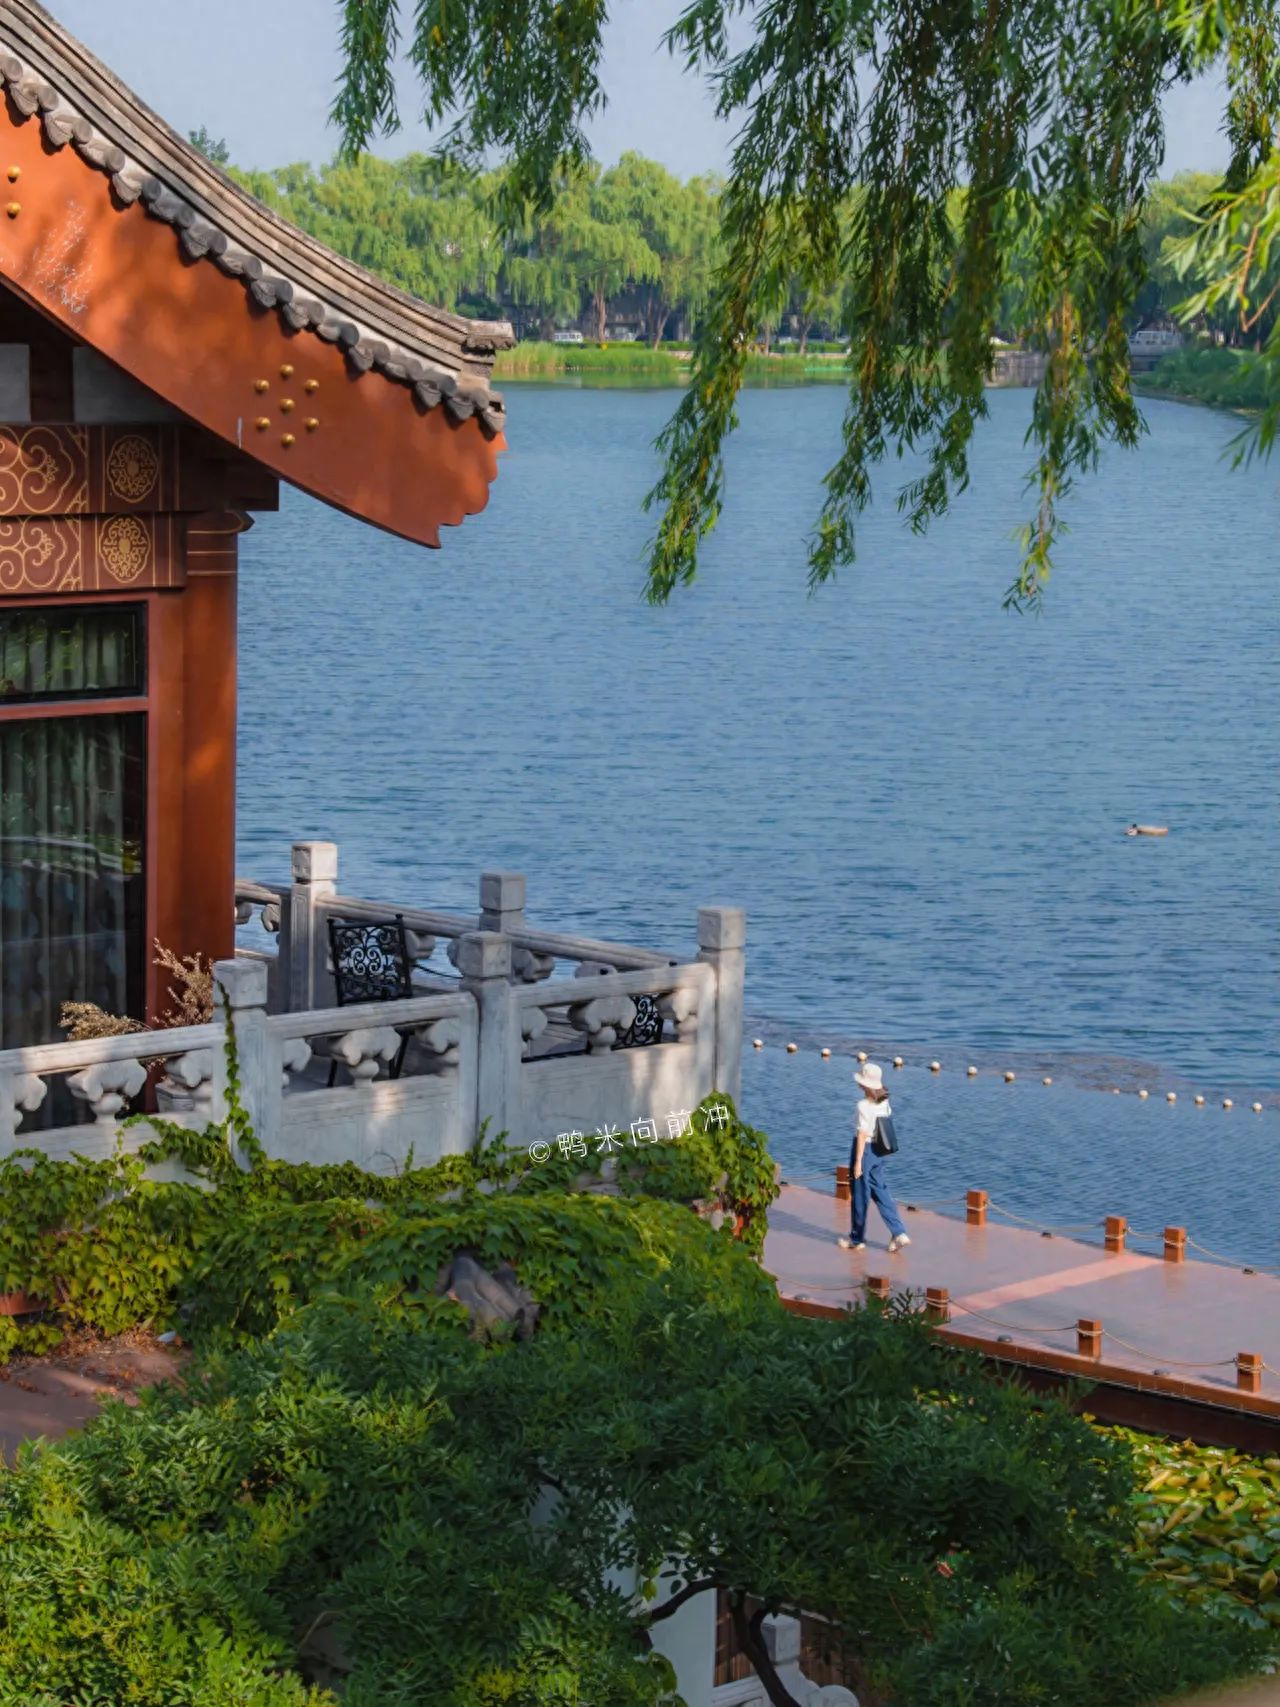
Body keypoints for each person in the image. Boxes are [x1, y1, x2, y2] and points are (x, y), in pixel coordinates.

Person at [837, 1061, 910, 1253]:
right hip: (880, 1149)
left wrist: (858, 1164)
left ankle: (857, 1238)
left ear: (865, 1085)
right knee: (880, 1189)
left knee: (860, 1193)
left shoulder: (863, 1105)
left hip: (865, 1149)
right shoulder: (884, 1101)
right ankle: (899, 1232)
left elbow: (862, 1135)